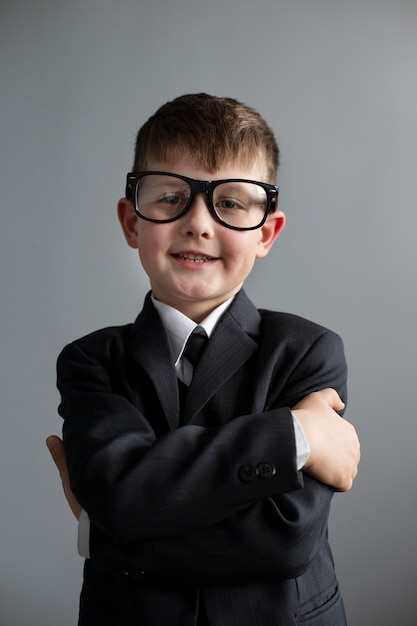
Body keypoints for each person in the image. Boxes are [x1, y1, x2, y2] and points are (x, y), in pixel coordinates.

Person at [47, 93, 360, 625]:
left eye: (231, 203)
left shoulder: (308, 353)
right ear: (131, 223)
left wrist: (106, 530)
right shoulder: (91, 362)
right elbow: (118, 493)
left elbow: (282, 541)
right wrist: (294, 437)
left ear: (266, 233)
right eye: (170, 197)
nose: (198, 223)